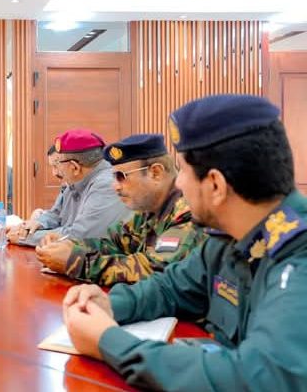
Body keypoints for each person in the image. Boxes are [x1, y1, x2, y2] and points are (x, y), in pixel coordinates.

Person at [63, 94, 307, 390]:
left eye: (184, 170)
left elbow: (256, 378)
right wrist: (109, 305)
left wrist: (108, 342)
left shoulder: (298, 261)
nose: (177, 182)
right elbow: (170, 288)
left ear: (215, 185)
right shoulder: (228, 239)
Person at [35, 134, 205, 285]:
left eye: (121, 177)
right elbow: (113, 243)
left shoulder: (189, 212)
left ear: (155, 173)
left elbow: (155, 269)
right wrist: (69, 245)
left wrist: (76, 262)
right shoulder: (148, 210)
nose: (115, 186)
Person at [8, 129, 129, 246]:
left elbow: (79, 236)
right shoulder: (76, 181)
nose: (56, 172)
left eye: (58, 163)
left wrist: (24, 237)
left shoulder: (107, 184)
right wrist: (37, 223)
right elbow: (57, 215)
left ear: (74, 167)